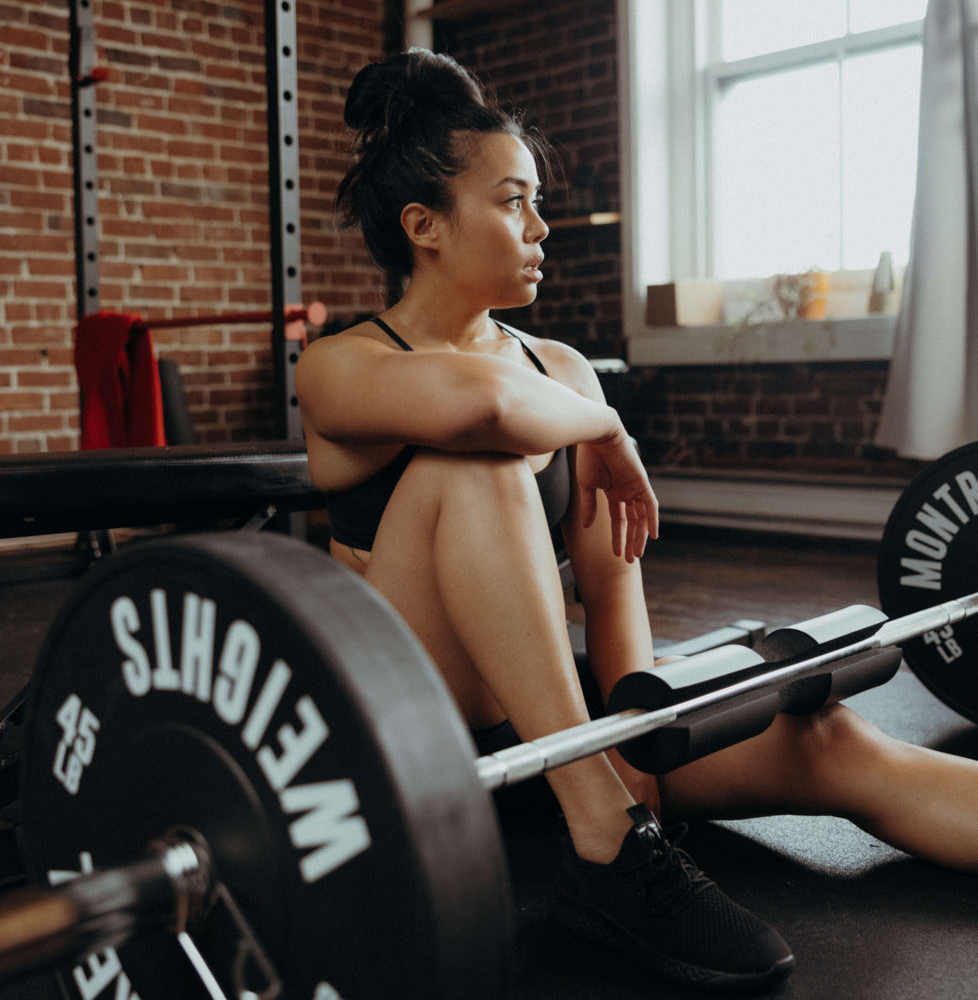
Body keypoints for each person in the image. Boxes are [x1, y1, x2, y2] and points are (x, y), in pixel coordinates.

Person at [296, 48, 978, 994]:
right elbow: (483, 413)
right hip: (401, 740)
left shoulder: (561, 373)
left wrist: (638, 745)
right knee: (476, 472)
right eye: (510, 202)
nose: (541, 225)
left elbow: (612, 582)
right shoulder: (340, 365)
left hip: (546, 731)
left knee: (829, 742)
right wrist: (610, 422)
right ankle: (609, 849)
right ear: (425, 227)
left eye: (536, 200)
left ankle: (607, 814)